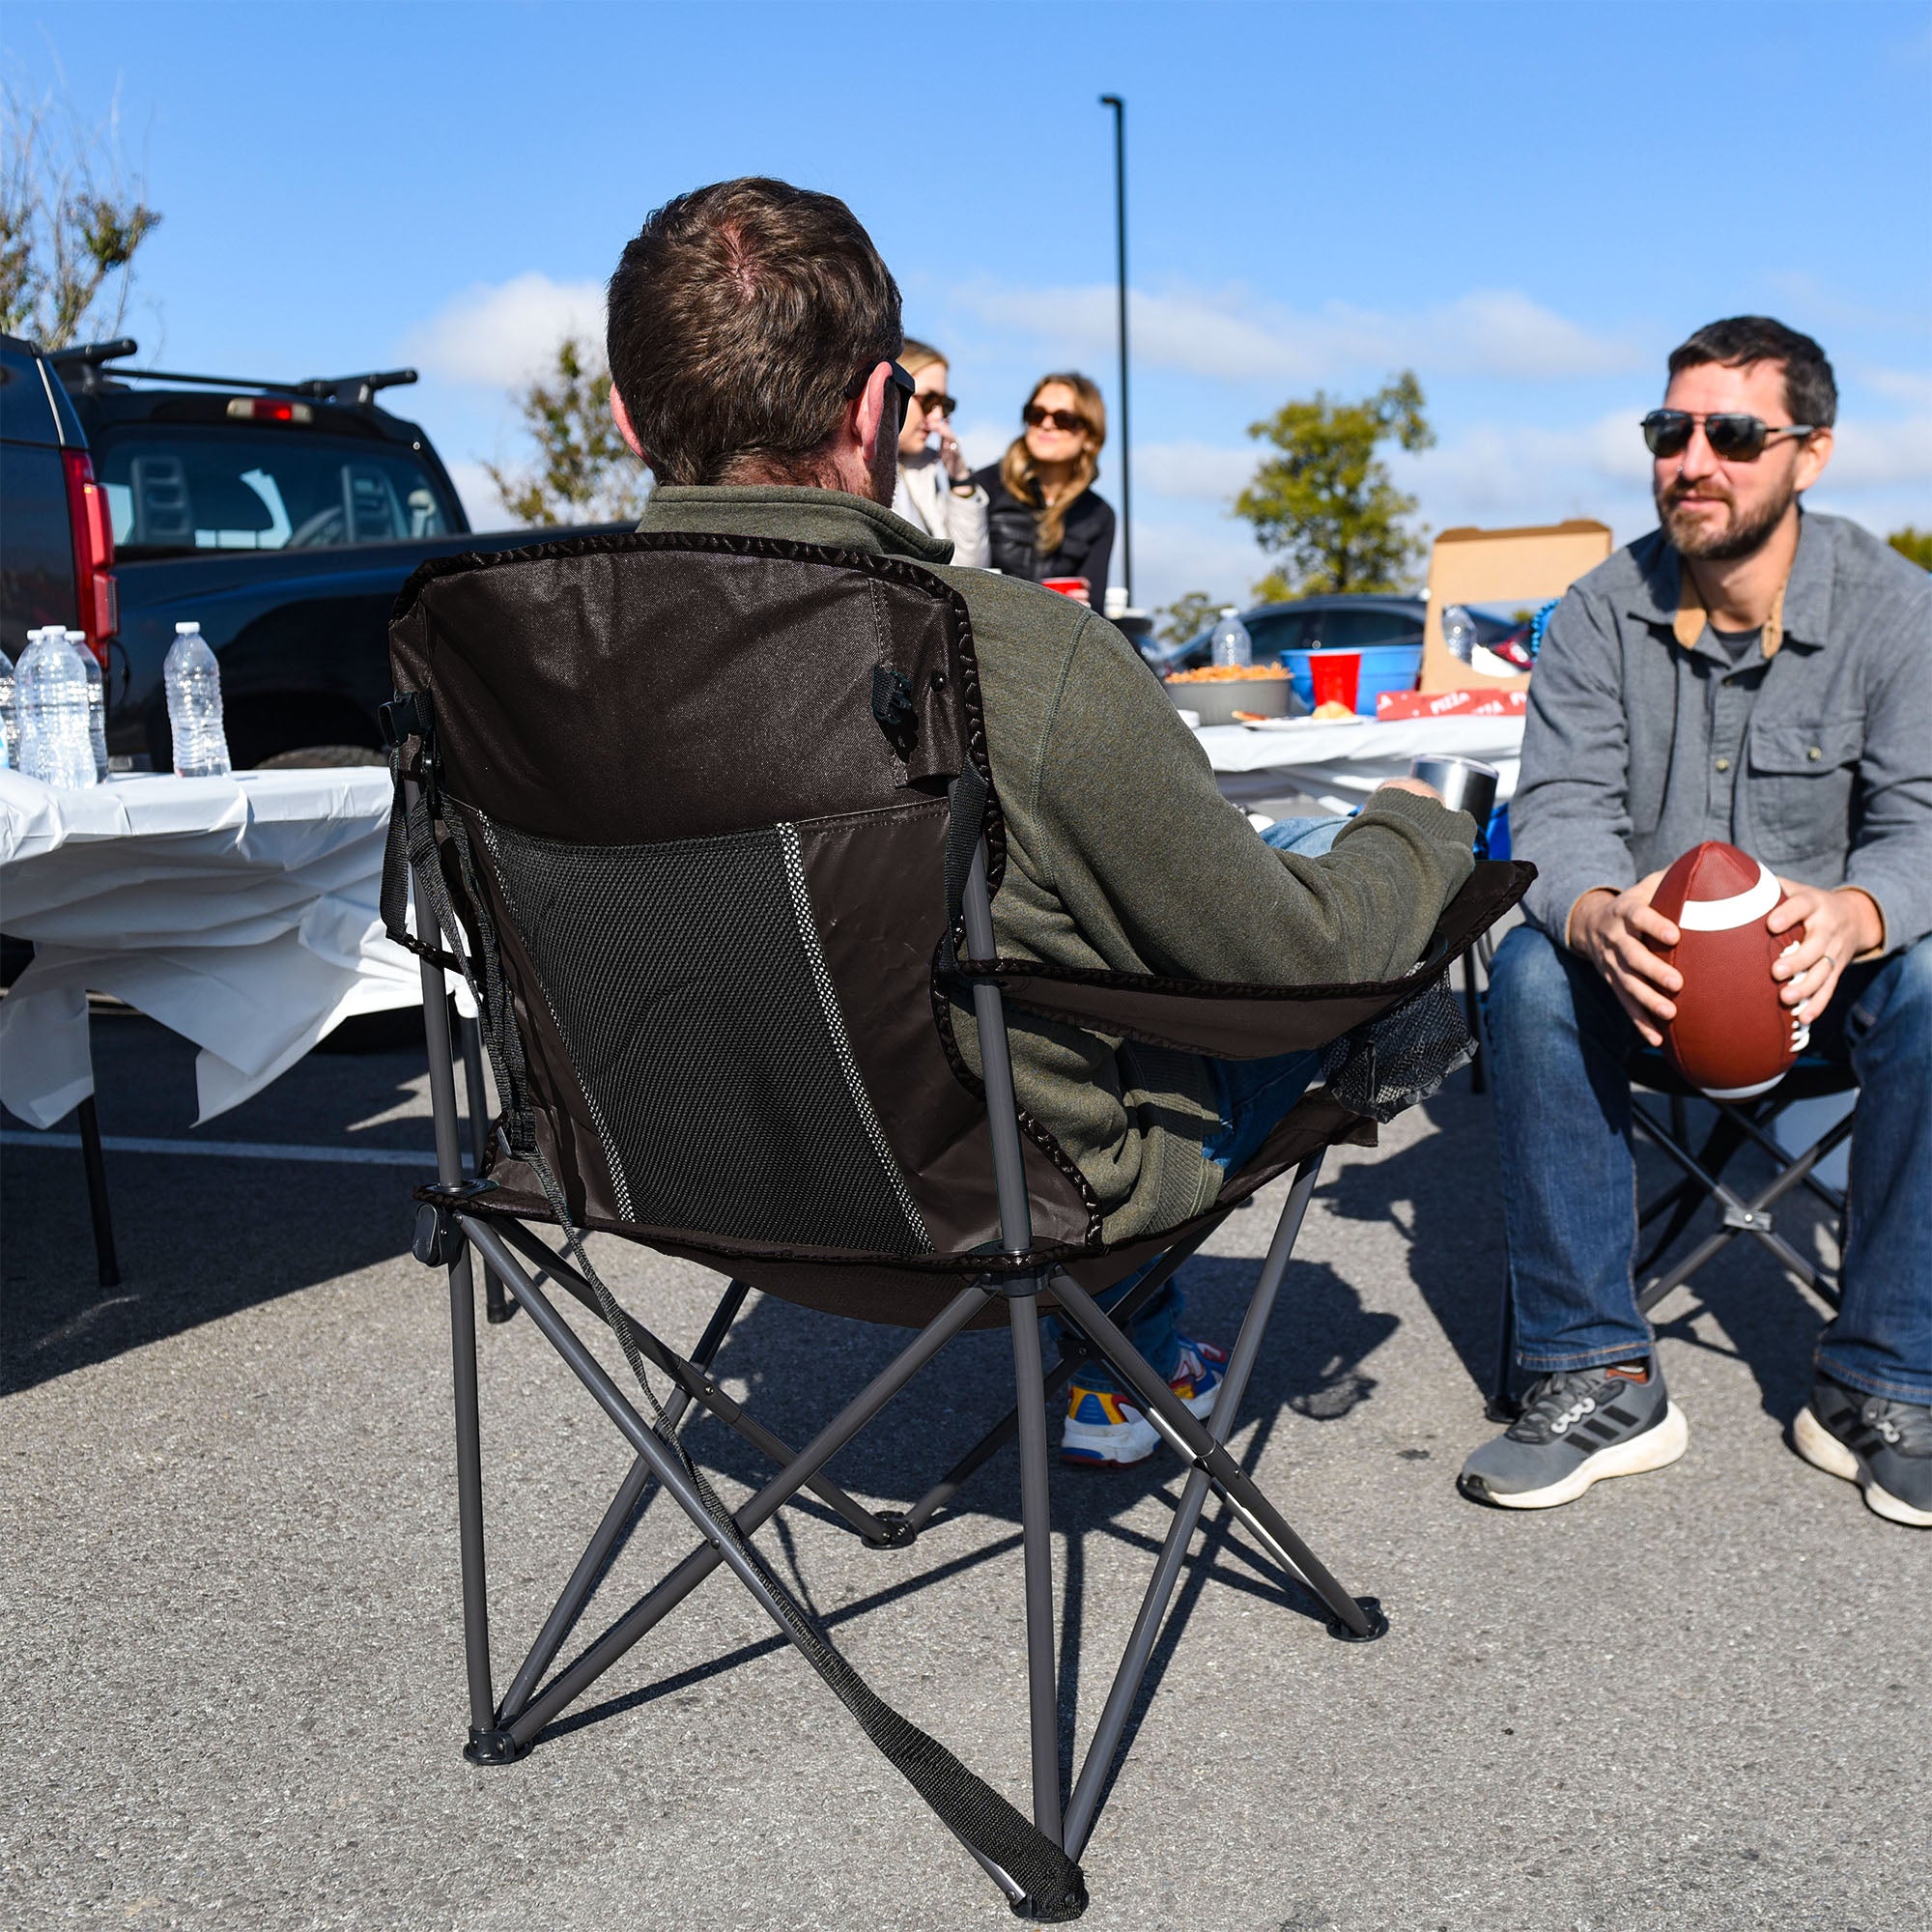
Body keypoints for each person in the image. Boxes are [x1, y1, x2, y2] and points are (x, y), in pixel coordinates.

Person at [604, 178, 1477, 1465]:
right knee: (1346, 913)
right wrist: (1418, 834)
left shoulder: (528, 666)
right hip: (999, 1201)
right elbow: (1291, 959)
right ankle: (1127, 1351)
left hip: (676, 1172)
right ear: (875, 409)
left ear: (625, 416)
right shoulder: (1007, 653)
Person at [1462, 316, 1932, 1527]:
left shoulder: (1893, 609)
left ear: (1809, 452)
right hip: (1646, 988)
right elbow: (1556, 807)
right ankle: (1595, 1372)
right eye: (1669, 431)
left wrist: (1856, 912)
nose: (1691, 461)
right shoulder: (1595, 610)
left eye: (1729, 433)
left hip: (1826, 991)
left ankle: (1882, 1379)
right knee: (1531, 965)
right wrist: (1595, 910)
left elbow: (1921, 821)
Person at [974, 373, 1115, 611]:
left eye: (1063, 419)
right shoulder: (985, 486)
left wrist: (1081, 606)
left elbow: (1096, 609)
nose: (1047, 425)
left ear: (1090, 437)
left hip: (1060, 632)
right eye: (1036, 414)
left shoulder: (1099, 514)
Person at [890, 338, 989, 566]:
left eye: (944, 405)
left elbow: (971, 571)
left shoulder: (929, 469)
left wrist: (960, 480)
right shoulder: (853, 466)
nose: (937, 417)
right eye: (929, 401)